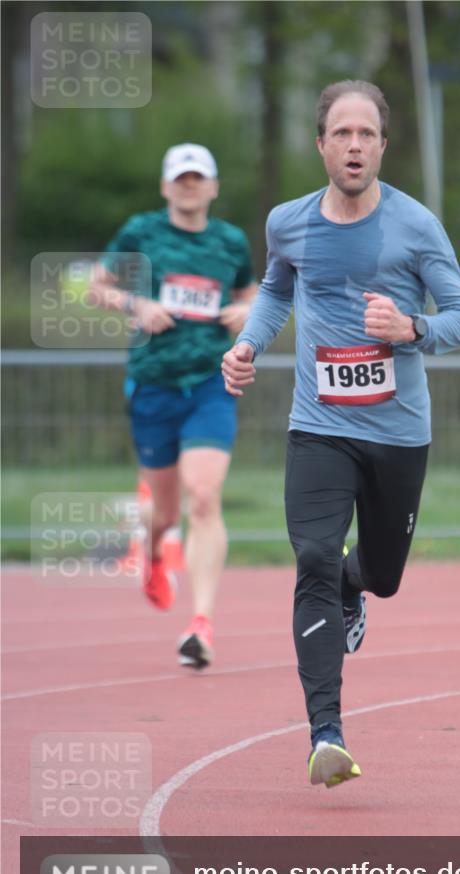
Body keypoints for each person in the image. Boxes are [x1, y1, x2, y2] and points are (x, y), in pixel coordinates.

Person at [222, 81, 460, 788]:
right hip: (319, 426)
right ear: (321, 145)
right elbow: (277, 289)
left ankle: (353, 584)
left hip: (397, 433)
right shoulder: (288, 223)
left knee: (383, 576)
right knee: (311, 555)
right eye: (342, 133)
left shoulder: (415, 225)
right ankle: (326, 735)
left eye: (367, 134)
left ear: (383, 146)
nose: (355, 145)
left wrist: (411, 327)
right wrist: (247, 345)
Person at [89, 143, 257, 668]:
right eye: (180, 178)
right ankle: (153, 547)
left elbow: (253, 294)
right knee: (164, 512)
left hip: (210, 383)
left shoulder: (230, 241)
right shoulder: (141, 233)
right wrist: (136, 303)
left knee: (203, 497)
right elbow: (95, 287)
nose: (189, 186)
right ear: (165, 186)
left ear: (213, 187)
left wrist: (245, 312)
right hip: (153, 385)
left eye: (197, 178)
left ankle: (201, 624)